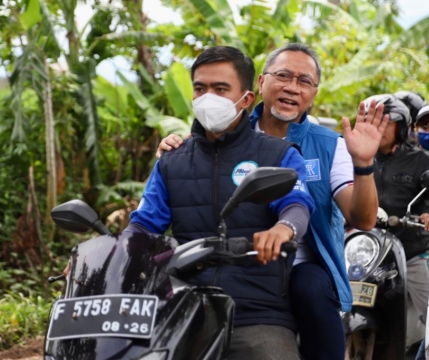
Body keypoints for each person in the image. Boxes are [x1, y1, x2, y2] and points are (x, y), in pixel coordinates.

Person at [157, 43, 388, 360]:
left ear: (314, 92)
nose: (292, 87)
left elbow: (362, 219)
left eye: (304, 81)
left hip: (301, 262)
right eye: (283, 76)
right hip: (235, 260)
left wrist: (363, 164)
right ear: (261, 84)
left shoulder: (330, 145)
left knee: (310, 289)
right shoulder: (230, 130)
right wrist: (174, 149)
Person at [127, 46, 316, 360]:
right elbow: (144, 225)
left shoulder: (277, 154)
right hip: (181, 308)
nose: (207, 97)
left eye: (220, 89)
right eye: (200, 88)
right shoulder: (171, 161)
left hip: (256, 310)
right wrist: (103, 261)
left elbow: (297, 203)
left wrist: (283, 230)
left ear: (246, 98)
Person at [365, 94, 429, 329]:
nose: (378, 126)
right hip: (367, 249)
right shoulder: (356, 157)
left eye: (386, 121)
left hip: (412, 250)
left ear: (402, 127)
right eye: (372, 120)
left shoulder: (421, 160)